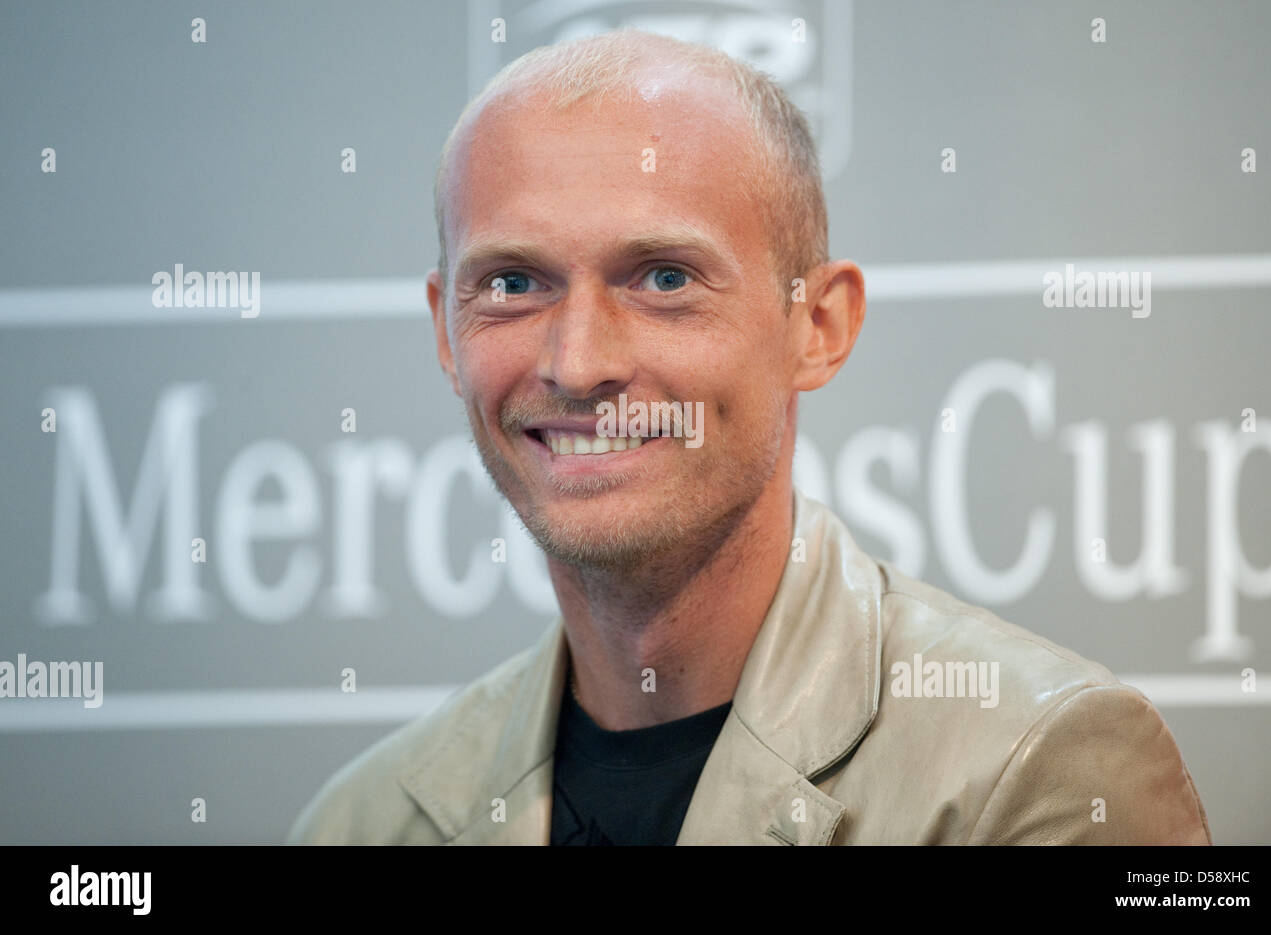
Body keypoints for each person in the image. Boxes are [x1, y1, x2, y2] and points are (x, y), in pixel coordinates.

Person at [287, 29, 1211, 845]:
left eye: (661, 277)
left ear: (818, 326)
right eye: (514, 285)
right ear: (446, 333)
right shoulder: (361, 821)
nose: (577, 363)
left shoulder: (1038, 768)